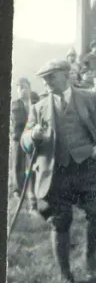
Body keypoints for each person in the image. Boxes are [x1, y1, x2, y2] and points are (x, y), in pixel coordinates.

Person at [21, 60, 96, 283]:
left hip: (89, 167)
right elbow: (24, 142)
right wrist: (32, 136)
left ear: (67, 75)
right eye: (44, 78)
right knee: (60, 221)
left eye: (51, 77)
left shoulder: (91, 98)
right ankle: (65, 274)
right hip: (57, 173)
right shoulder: (39, 108)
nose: (46, 82)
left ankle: (91, 256)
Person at [10, 77, 40, 211]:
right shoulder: (15, 105)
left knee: (31, 164)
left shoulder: (34, 102)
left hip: (31, 138)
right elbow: (20, 121)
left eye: (24, 87)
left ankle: (32, 190)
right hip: (19, 137)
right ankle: (18, 189)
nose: (22, 91)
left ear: (30, 88)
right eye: (19, 88)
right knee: (17, 163)